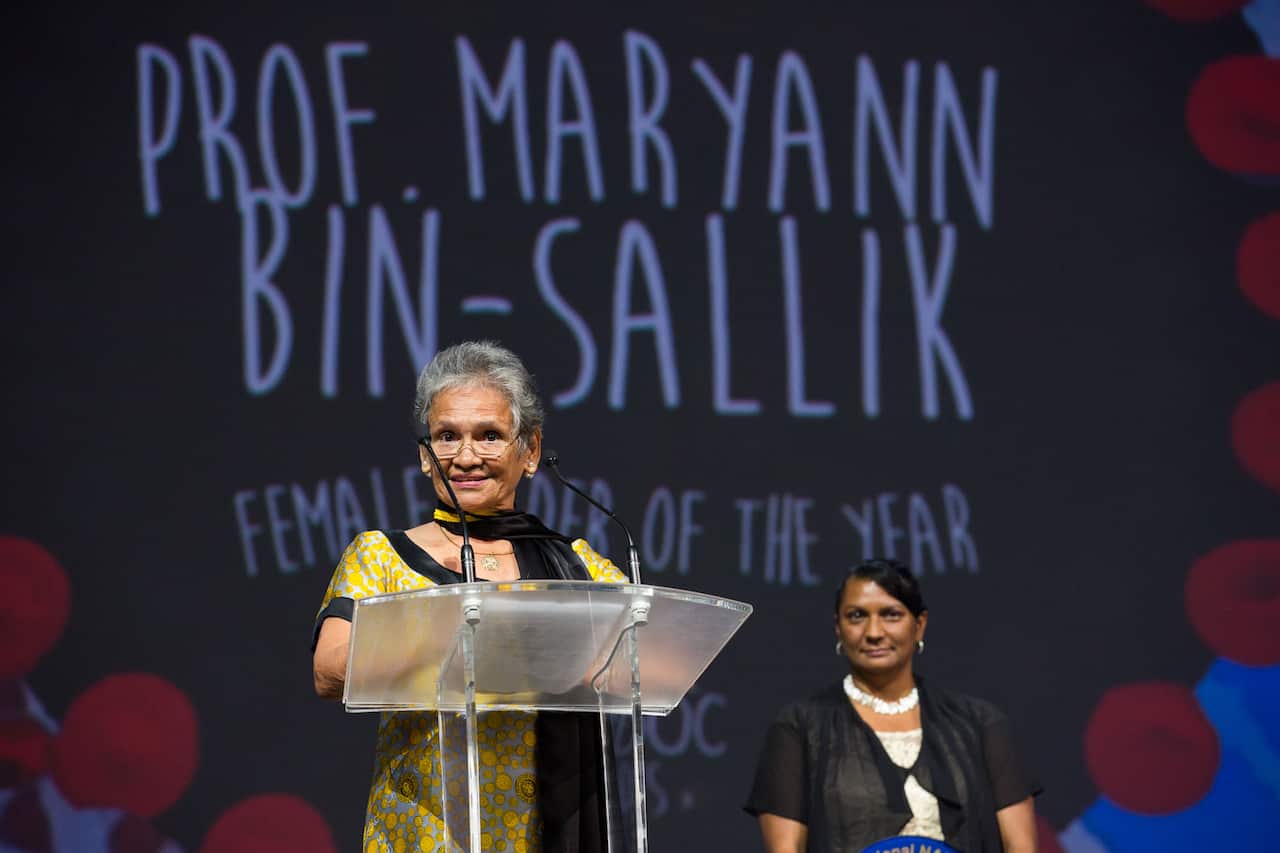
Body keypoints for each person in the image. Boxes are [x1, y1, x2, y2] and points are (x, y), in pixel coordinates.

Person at [312, 340, 629, 853]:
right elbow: (329, 670)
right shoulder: (381, 556)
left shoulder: (575, 564)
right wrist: (459, 649)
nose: (465, 457)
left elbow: (643, 658)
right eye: (446, 437)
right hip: (421, 830)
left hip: (541, 833)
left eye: (489, 436)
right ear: (423, 455)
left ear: (529, 451)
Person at [744, 559, 1041, 853]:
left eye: (891, 615)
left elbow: (1020, 845)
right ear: (838, 627)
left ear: (919, 625)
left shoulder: (979, 723)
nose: (874, 632)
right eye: (857, 616)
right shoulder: (800, 727)